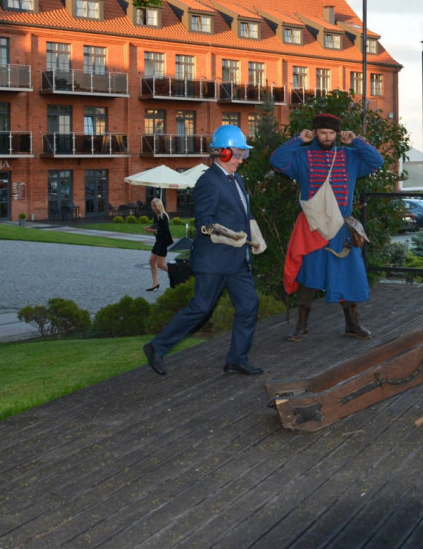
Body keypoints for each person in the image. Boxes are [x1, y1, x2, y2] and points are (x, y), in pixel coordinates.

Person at [143, 125, 267, 376]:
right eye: (238, 154)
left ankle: (237, 359)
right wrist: (228, 235)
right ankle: (156, 347)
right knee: (200, 309)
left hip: (236, 260)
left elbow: (243, 214)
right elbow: (204, 223)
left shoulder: (238, 180)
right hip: (213, 260)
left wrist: (254, 234)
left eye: (244, 154)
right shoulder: (208, 182)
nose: (241, 160)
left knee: (248, 305)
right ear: (222, 153)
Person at [271, 112, 383, 341]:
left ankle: (352, 324)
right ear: (315, 133)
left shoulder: (349, 156)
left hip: (341, 229)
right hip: (314, 228)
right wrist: (297, 139)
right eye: (323, 132)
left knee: (347, 275)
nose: (328, 137)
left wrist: (356, 141)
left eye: (332, 133)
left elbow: (377, 162)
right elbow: (277, 161)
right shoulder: (302, 157)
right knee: (308, 275)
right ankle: (301, 326)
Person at [144, 197, 172, 291]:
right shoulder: (155, 216)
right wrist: (149, 228)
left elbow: (163, 230)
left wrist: (152, 230)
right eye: (152, 206)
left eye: (155, 206)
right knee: (152, 261)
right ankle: (155, 283)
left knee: (160, 264)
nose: (153, 207)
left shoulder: (163, 216)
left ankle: (175, 274)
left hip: (163, 242)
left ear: (159, 206)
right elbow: (156, 226)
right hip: (158, 241)